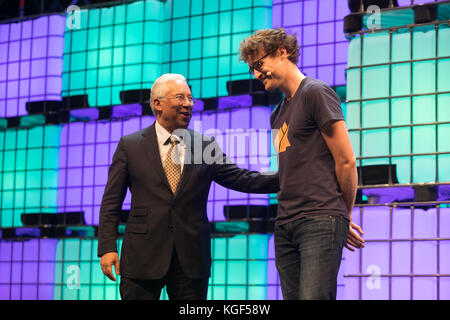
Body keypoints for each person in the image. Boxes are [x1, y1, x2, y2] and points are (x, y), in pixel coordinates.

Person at [97, 73, 279, 300]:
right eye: (180, 97)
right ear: (158, 104)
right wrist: (107, 247)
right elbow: (111, 201)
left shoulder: (205, 145)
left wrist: (290, 178)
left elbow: (240, 178)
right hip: (142, 255)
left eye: (190, 99)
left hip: (191, 258)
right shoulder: (130, 145)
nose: (188, 104)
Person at [239, 28, 365, 300]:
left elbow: (346, 160)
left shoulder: (316, 92)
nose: (257, 74)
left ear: (282, 52)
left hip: (319, 221)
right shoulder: (277, 115)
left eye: (259, 65)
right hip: (285, 225)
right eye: (252, 69)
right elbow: (294, 168)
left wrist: (344, 215)